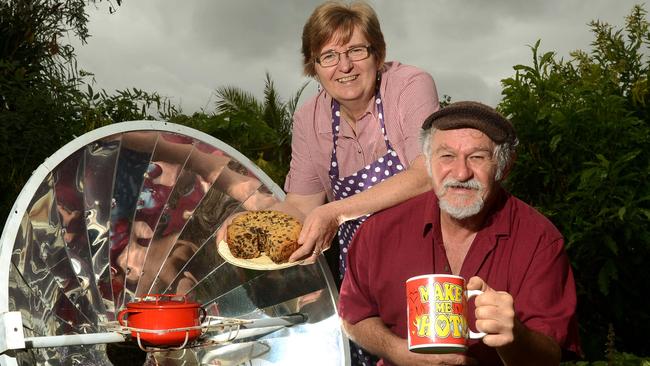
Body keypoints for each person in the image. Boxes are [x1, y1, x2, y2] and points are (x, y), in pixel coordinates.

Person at [338, 101, 581, 365]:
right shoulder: (379, 231)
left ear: (504, 166)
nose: (461, 172)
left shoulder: (540, 241)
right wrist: (397, 351)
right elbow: (354, 315)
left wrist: (516, 337)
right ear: (428, 163)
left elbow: (549, 357)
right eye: (447, 156)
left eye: (477, 157)